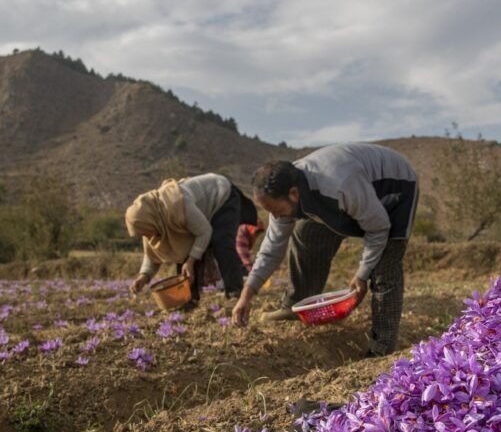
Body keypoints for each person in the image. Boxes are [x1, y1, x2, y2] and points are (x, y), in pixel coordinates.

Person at [232, 143, 419, 356]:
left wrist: (361, 274)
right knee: (306, 233)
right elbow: (271, 248)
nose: (276, 217)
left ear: (293, 194)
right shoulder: (283, 194)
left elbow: (378, 228)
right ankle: (296, 305)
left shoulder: (338, 185)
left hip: (395, 189)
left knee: (384, 268)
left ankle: (381, 348)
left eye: (277, 211)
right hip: (356, 196)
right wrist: (246, 296)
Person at [126, 173, 257, 303]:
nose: (148, 236)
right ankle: (189, 299)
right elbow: (152, 254)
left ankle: (235, 293)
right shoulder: (151, 221)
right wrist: (144, 276)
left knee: (221, 242)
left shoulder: (177, 205)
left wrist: (191, 261)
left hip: (221, 197)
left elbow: (204, 232)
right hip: (202, 213)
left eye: (146, 232)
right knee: (181, 249)